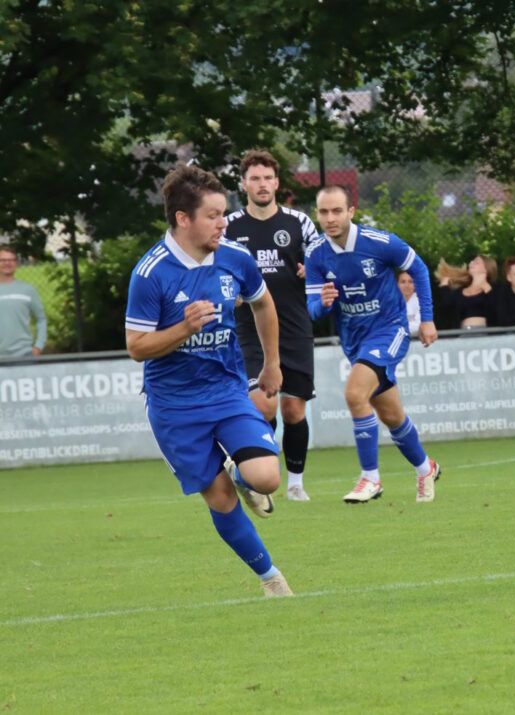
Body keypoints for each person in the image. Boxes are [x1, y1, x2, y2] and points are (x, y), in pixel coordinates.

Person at [124, 164, 292, 597]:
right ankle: (271, 579)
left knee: (267, 478)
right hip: (174, 405)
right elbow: (137, 346)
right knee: (219, 498)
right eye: (213, 215)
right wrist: (184, 328)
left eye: (223, 213)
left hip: (226, 390)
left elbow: (263, 304)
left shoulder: (234, 257)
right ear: (183, 218)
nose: (223, 223)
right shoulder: (151, 273)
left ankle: (242, 474)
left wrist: (271, 364)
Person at [305, 185, 442, 503]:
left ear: (351, 212)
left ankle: (370, 478)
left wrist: (427, 319)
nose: (330, 218)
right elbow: (312, 310)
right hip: (354, 340)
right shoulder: (315, 254)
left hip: (389, 330)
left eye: (337, 211)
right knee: (391, 415)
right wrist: (323, 303)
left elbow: (418, 268)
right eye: (323, 212)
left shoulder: (380, 242)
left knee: (355, 394)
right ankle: (426, 468)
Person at [224, 150, 319, 502]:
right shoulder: (229, 227)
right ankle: (260, 474)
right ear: (244, 184)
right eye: (255, 178)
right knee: (264, 405)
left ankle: (295, 484)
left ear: (277, 183)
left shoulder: (299, 223)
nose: (262, 184)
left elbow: (321, 262)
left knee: (293, 410)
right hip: (249, 329)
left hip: (294, 326)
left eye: (267, 178)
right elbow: (215, 268)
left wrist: (313, 270)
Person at [0, 247, 47, 358]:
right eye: (2, 260)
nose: (7, 263)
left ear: (16, 263)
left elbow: (41, 319)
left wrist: (39, 346)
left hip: (24, 354)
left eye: (11, 260)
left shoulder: (28, 290)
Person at [435, 255, 497, 329]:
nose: (471, 263)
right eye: (472, 261)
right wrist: (444, 286)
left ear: (486, 268)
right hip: (463, 333)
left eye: (476, 262)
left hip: (485, 332)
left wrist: (488, 290)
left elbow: (497, 310)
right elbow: (447, 306)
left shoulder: (493, 290)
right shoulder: (460, 291)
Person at [397, 270, 421, 338]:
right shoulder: (390, 303)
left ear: (415, 285)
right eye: (403, 282)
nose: (406, 285)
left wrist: (397, 329)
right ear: (397, 284)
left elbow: (418, 327)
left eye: (410, 282)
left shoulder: (421, 302)